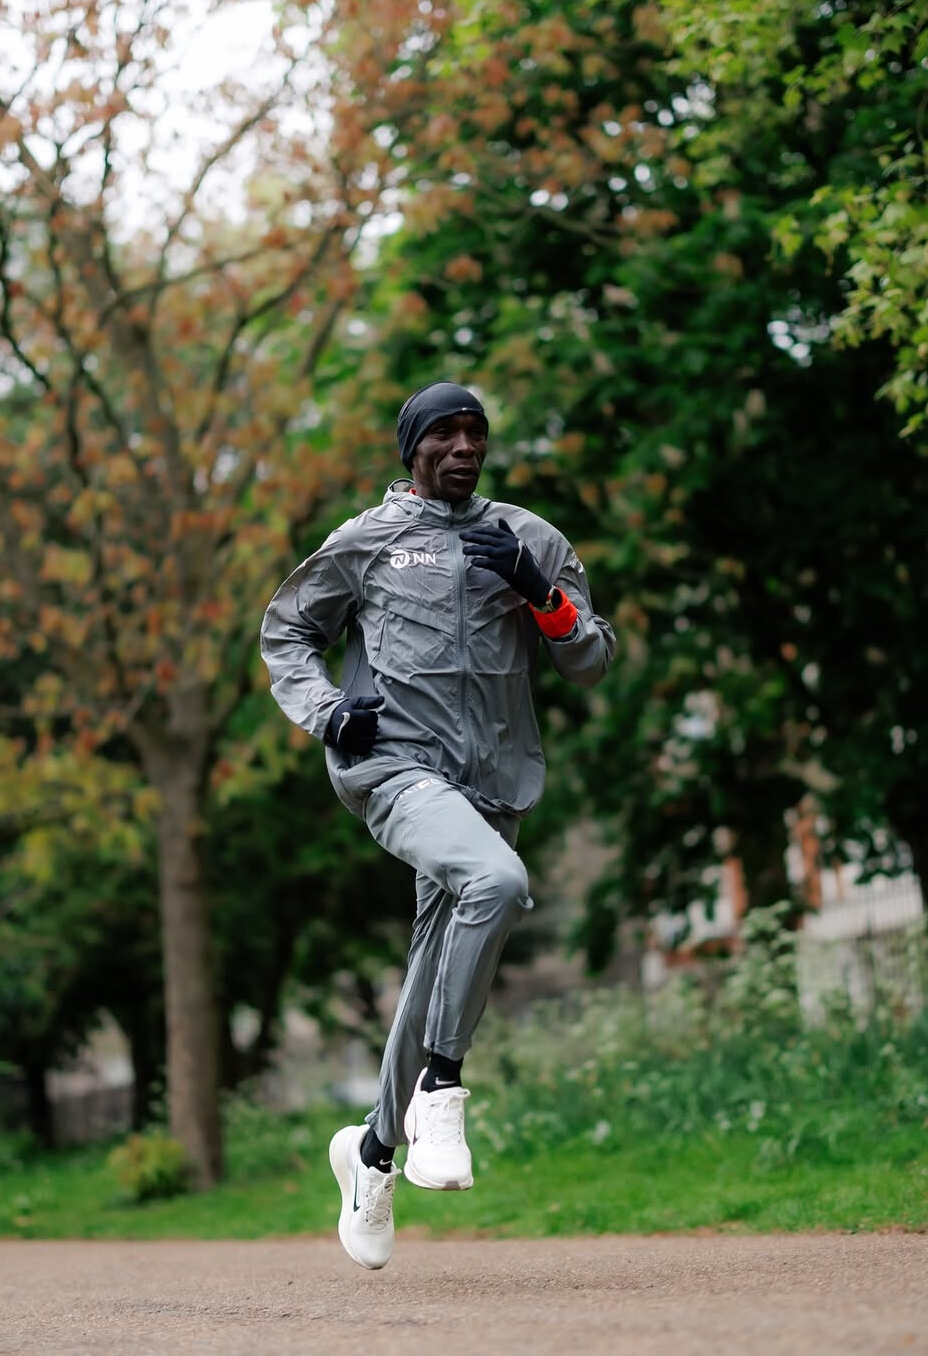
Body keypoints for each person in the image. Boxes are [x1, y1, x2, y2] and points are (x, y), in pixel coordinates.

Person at [260, 382, 616, 1269]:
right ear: (411, 448)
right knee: (496, 881)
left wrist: (539, 592)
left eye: (475, 432)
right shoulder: (367, 540)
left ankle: (373, 1152)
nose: (464, 446)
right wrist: (327, 711)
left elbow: (592, 659)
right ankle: (442, 1091)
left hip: (493, 784)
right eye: (445, 433)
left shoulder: (529, 539)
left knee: (432, 968)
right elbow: (286, 633)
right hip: (394, 768)